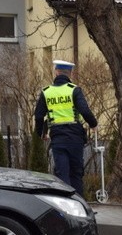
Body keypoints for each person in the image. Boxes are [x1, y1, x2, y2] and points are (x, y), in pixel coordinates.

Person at [34, 60, 98, 196]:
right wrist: (93, 124)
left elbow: (39, 116)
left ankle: (65, 206)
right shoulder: (74, 90)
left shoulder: (46, 92)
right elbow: (85, 111)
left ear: (56, 72)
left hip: (58, 138)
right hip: (75, 137)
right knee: (76, 173)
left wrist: (41, 133)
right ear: (70, 73)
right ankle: (79, 206)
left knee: (62, 173)